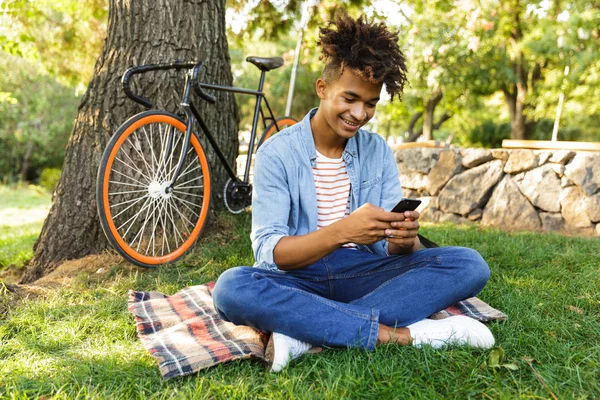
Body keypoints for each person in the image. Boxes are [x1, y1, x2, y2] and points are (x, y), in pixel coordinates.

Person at [213, 12, 494, 372]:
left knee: (468, 263)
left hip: (363, 274)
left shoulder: (377, 151)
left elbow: (384, 249)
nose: (359, 113)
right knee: (231, 288)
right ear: (322, 88)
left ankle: (304, 330)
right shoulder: (277, 153)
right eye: (350, 98)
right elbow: (271, 251)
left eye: (371, 103)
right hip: (297, 279)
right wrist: (342, 231)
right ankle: (407, 334)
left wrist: (403, 241)